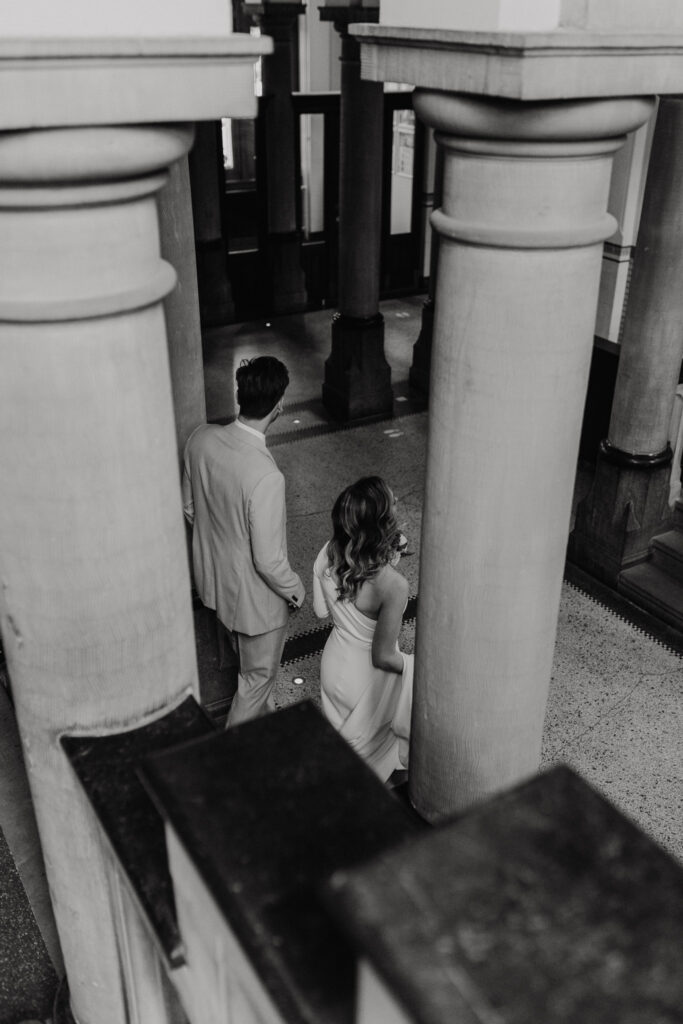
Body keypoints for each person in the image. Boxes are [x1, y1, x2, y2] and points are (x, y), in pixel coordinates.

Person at [183, 356, 305, 726]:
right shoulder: (266, 477)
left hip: (215, 588)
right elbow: (268, 561)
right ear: (279, 404)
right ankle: (232, 765)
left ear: (240, 396)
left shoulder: (200, 439)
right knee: (255, 683)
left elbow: (189, 509)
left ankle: (263, 740)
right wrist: (296, 590)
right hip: (256, 608)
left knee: (252, 679)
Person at [313, 476, 413, 782]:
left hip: (334, 664)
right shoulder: (393, 585)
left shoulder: (331, 549)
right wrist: (417, 666)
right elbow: (382, 656)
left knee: (343, 755)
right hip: (368, 683)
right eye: (393, 502)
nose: (397, 505)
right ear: (382, 521)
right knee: (367, 765)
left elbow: (319, 610)